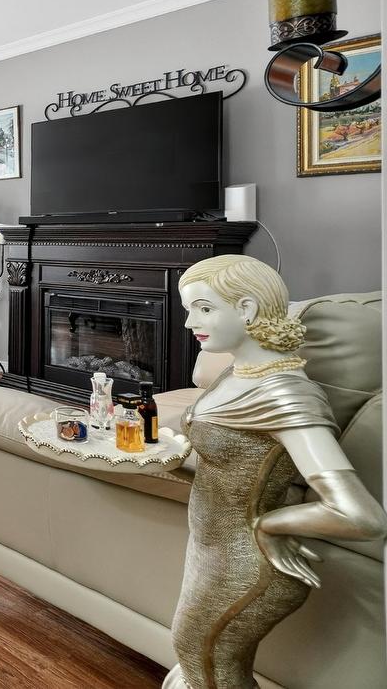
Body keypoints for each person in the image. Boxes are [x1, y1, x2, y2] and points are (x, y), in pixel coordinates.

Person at [163, 255, 387, 689]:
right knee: (196, 663)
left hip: (248, 565)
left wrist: (268, 524)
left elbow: (361, 515)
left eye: (203, 308)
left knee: (209, 666)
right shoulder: (237, 372)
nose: (190, 322)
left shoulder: (287, 396)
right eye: (189, 309)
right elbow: (232, 463)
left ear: (246, 309)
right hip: (210, 552)